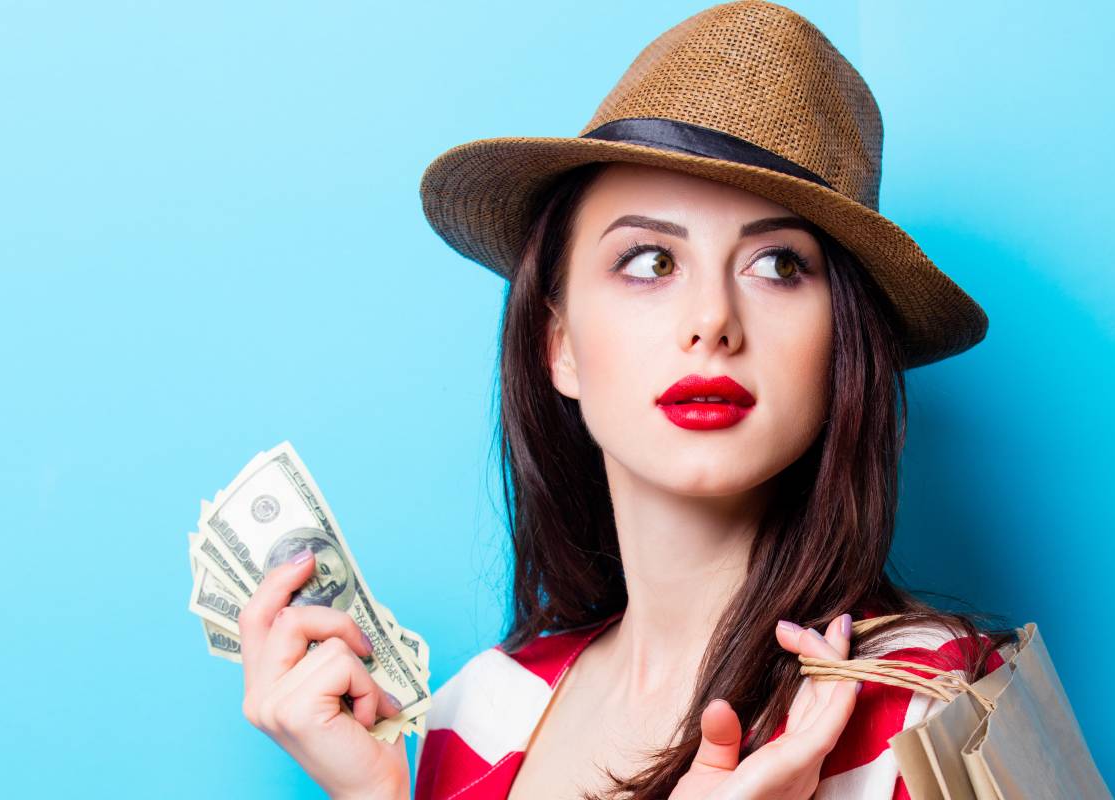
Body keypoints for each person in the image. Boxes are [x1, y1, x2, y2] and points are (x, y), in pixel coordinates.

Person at [236, 2, 1019, 798]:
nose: (712, 319)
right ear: (559, 345)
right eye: (650, 261)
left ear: (842, 345)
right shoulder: (479, 712)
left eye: (779, 265)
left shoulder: (941, 705)